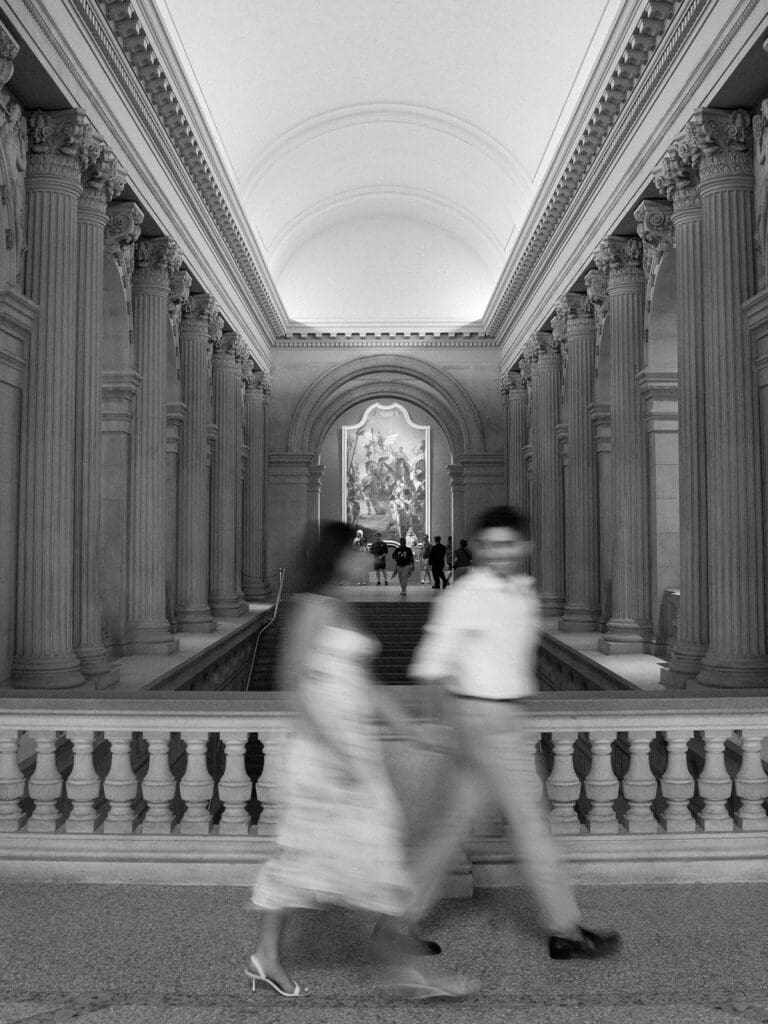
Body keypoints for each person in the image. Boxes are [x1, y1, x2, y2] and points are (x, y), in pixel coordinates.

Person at [247, 522, 471, 999]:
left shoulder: (338, 606)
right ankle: (401, 971)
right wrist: (333, 754)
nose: (368, 554)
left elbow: (363, 682)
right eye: (359, 549)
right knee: (354, 847)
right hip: (325, 751)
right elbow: (292, 685)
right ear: (336, 556)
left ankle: (268, 956)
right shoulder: (311, 609)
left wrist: (409, 729)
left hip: (351, 746)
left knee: (323, 851)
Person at [406, 506, 621, 962]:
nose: (500, 554)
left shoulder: (523, 594)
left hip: (506, 720)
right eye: (492, 545)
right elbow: (429, 667)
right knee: (530, 827)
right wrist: (442, 727)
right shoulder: (464, 597)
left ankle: (394, 925)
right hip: (479, 720)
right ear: (480, 548)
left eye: (509, 545)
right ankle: (564, 929)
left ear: (524, 547)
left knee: (450, 829)